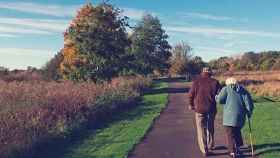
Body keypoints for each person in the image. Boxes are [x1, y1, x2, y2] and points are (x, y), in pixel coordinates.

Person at [216, 77, 254, 158]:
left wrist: (216, 96)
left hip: (228, 117)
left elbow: (219, 100)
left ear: (228, 83)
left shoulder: (226, 89)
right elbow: (249, 104)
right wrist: (249, 113)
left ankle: (232, 151)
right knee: (237, 131)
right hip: (240, 117)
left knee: (230, 134)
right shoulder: (243, 90)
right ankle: (238, 147)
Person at [188, 67, 221, 156]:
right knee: (210, 127)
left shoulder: (196, 81)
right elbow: (220, 95)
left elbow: (191, 94)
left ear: (202, 72)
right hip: (211, 108)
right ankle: (210, 145)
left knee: (200, 129)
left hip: (199, 109)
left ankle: (204, 150)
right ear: (210, 73)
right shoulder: (215, 82)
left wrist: (190, 104)